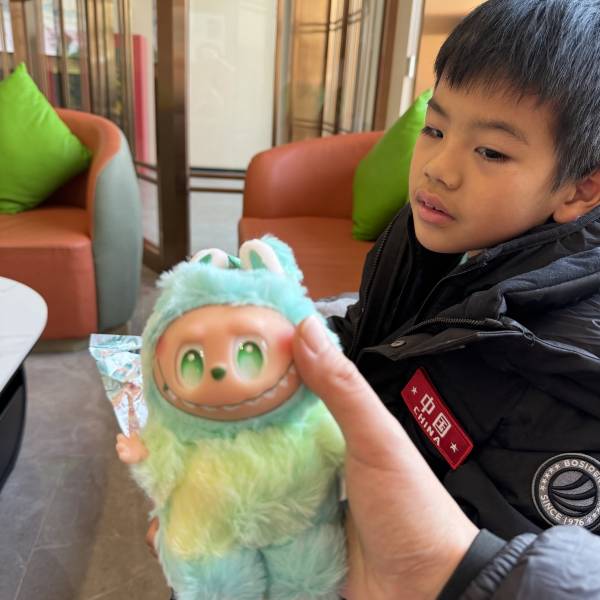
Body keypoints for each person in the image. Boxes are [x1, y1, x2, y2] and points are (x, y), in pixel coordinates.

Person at [328, 0, 600, 542]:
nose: (438, 168)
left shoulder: (562, 375)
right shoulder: (440, 241)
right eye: (434, 129)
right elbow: (371, 344)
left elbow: (492, 559)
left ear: (579, 189)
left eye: (491, 152)